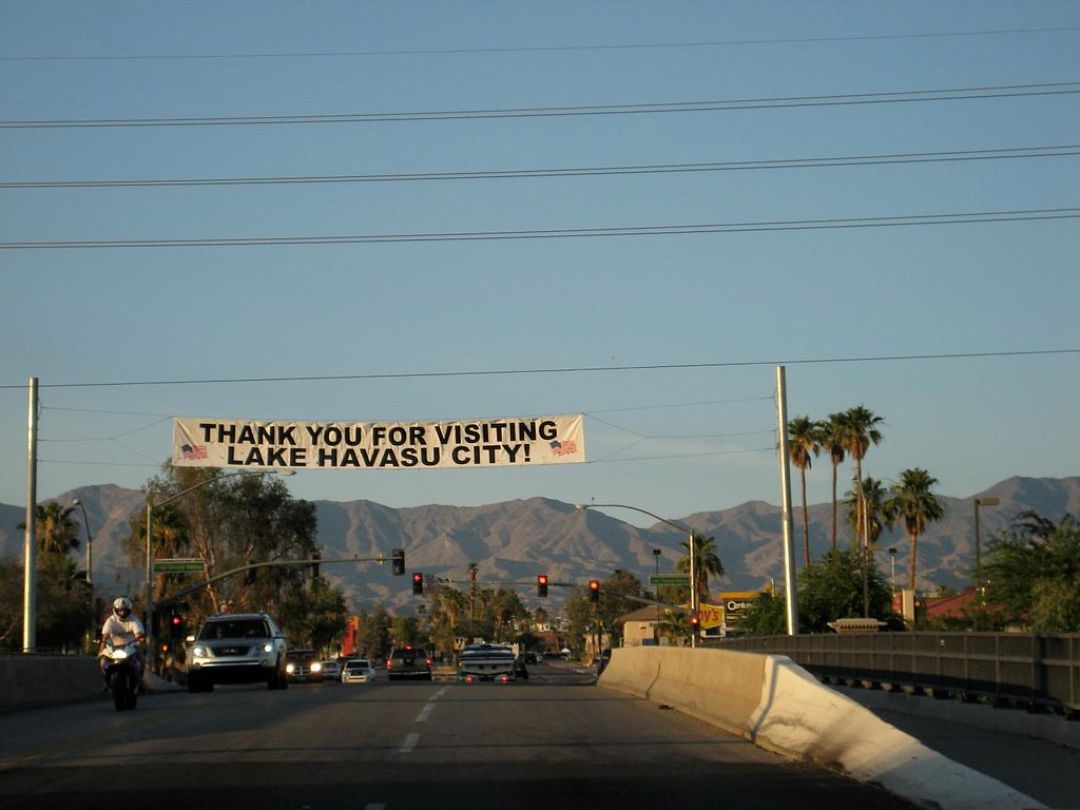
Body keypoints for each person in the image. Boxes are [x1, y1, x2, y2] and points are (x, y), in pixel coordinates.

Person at [99, 597, 146, 681]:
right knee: (102, 662)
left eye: (124, 610)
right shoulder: (111, 621)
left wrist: (139, 641)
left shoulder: (134, 620)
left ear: (129, 610)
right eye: (120, 610)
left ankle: (140, 679)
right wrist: (101, 649)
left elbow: (139, 634)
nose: (122, 612)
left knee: (141, 659)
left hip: (130, 647)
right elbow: (105, 636)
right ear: (115, 610)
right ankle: (106, 680)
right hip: (113, 648)